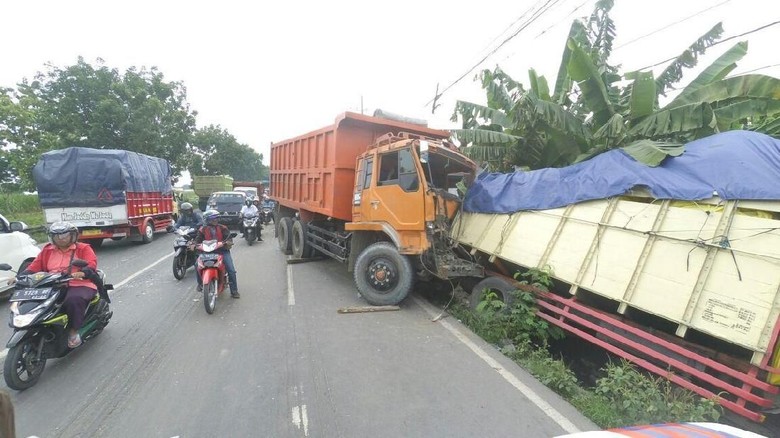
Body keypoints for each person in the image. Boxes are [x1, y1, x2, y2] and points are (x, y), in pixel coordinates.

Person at [10, 222, 99, 348]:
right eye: (57, 236)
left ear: (72, 236)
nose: (61, 239)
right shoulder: (47, 250)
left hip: (78, 283)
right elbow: (34, 267)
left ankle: (74, 331)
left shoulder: (83, 248)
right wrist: (18, 277)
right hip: (52, 283)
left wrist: (82, 273)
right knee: (33, 301)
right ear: (52, 237)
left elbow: (91, 264)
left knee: (74, 300)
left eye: (65, 235)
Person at [192, 210, 239, 298]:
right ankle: (200, 284)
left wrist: (228, 242)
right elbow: (197, 240)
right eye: (213, 218)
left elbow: (228, 238)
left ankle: (234, 291)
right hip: (206, 252)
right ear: (207, 219)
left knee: (231, 270)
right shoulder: (202, 229)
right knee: (196, 265)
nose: (215, 220)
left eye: (216, 218)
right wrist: (194, 245)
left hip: (222, 251)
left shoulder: (223, 228)